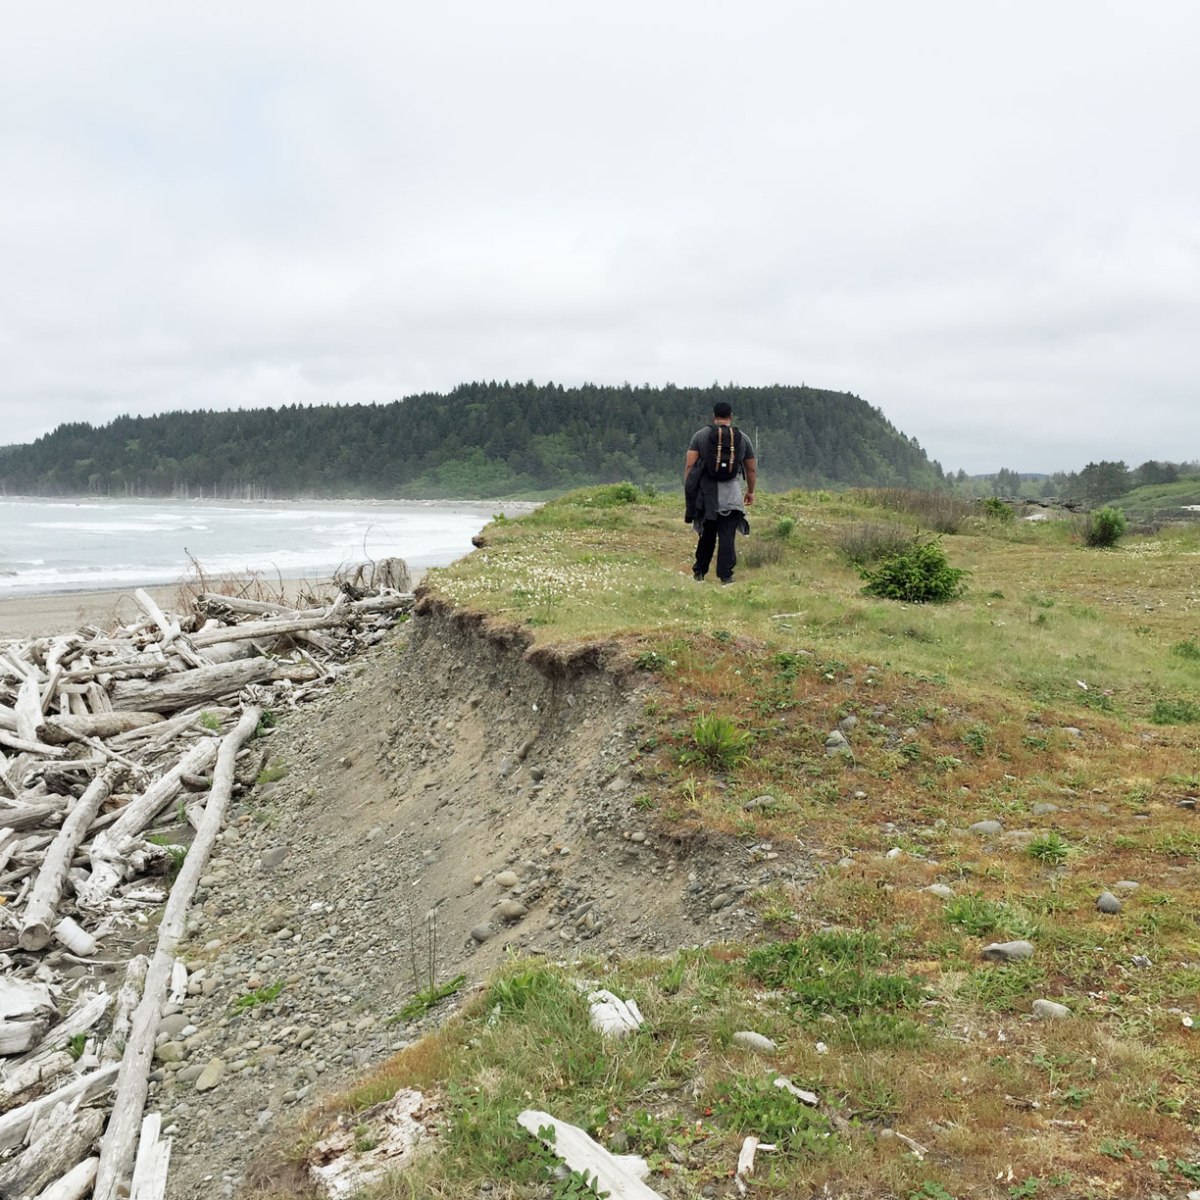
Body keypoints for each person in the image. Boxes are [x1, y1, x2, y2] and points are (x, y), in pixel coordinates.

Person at [684, 401, 756, 584]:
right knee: (727, 536)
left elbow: (690, 465)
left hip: (708, 496)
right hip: (731, 495)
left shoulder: (700, 436)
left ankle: (699, 572)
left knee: (707, 535)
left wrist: (691, 490)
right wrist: (750, 491)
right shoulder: (742, 438)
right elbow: (751, 469)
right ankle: (726, 576)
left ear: (713, 416)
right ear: (730, 416)